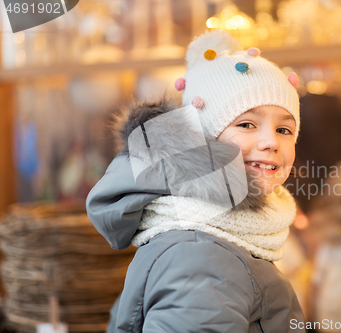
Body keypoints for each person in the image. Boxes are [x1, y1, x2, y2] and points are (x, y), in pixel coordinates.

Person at [86, 30, 305, 333]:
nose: (271, 141)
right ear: (204, 142)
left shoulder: (225, 236)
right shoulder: (199, 255)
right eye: (246, 124)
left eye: (284, 129)